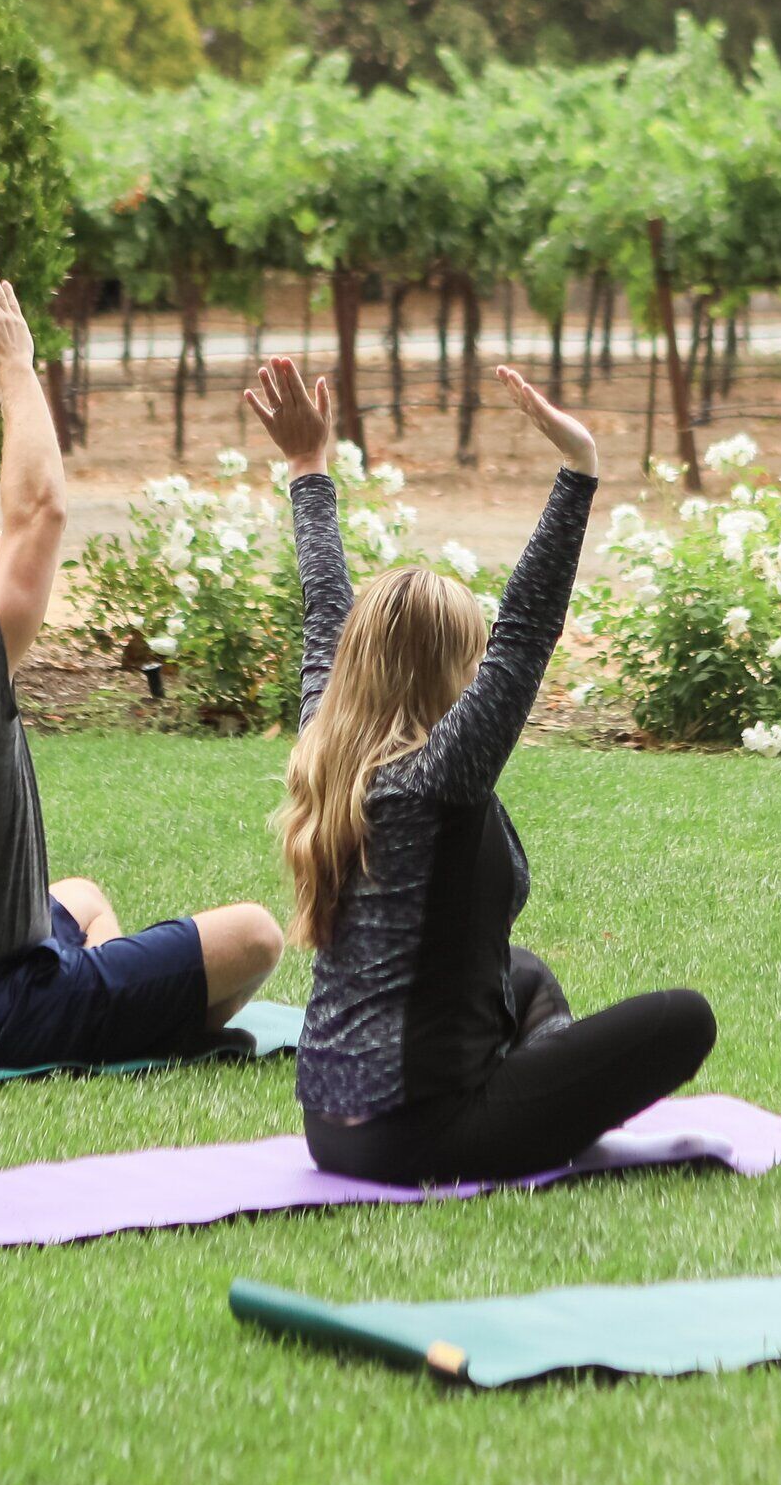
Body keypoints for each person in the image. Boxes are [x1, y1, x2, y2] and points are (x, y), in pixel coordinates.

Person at [255, 351, 714, 1185]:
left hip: (333, 1132)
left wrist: (306, 465)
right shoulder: (438, 780)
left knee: (523, 971)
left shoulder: (326, 741)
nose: (479, 676)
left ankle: (534, 1089)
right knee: (682, 1020)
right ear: (447, 672)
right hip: (425, 1135)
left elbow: (326, 606)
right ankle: (534, 1111)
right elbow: (525, 635)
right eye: (468, 661)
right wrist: (579, 469)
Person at [0, 261, 285, 1070]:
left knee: (78, 897)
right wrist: (17, 366)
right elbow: (39, 512)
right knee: (255, 936)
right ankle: (121, 1026)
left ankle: (109, 1012)